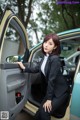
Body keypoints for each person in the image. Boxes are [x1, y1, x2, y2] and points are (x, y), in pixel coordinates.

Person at [17, 33, 69, 120]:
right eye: (45, 42)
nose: (46, 45)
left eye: (50, 44)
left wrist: (49, 99)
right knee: (39, 113)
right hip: (51, 91)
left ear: (55, 47)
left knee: (45, 112)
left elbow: (51, 80)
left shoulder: (55, 59)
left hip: (60, 92)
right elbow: (37, 69)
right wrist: (24, 68)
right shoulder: (45, 57)